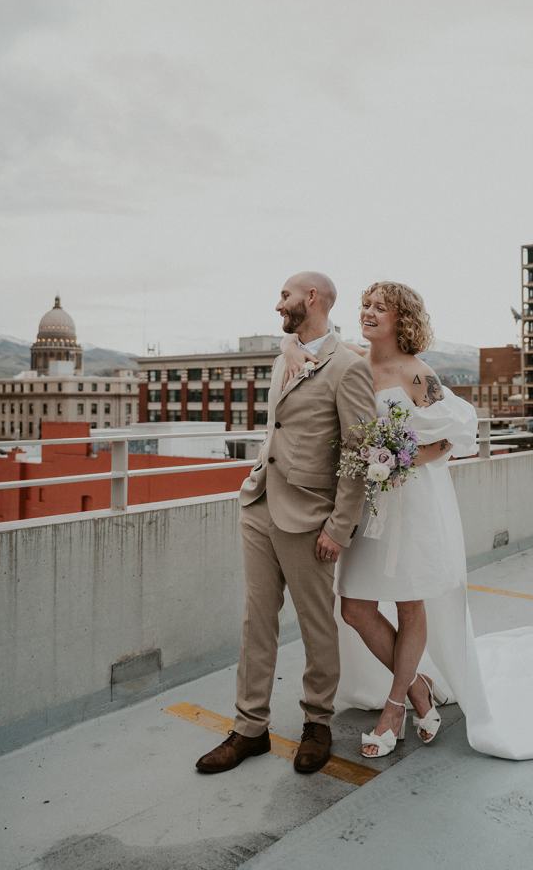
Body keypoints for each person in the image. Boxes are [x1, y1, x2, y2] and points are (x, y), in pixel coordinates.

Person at [283, 281, 533, 760]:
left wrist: (399, 458)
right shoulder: (351, 360)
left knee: (411, 604)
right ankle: (418, 687)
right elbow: (304, 338)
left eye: (380, 308)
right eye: (365, 306)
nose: (368, 313)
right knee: (354, 606)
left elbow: (457, 435)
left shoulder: (418, 374)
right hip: (367, 504)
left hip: (411, 500)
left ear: (402, 319)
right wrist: (290, 345)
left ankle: (396, 709)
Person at [195, 271, 376, 775]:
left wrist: (339, 527)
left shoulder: (348, 367)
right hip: (259, 505)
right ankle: (249, 728)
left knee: (318, 626)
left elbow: (359, 452)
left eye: (285, 295)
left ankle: (317, 723)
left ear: (311, 297)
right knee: (256, 622)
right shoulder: (286, 353)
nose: (279, 303)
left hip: (310, 517)